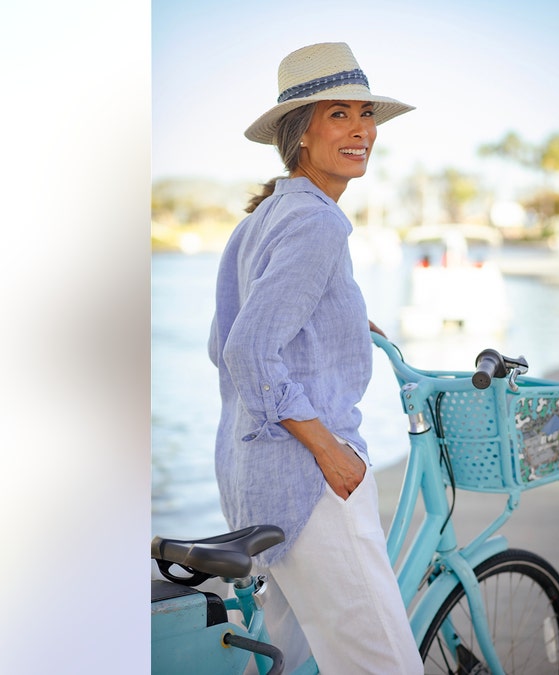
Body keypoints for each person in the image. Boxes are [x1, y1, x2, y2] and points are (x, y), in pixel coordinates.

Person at [207, 43, 423, 674]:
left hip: (252, 480)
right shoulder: (317, 224)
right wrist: (328, 448)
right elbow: (248, 350)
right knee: (385, 665)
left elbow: (224, 342)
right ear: (302, 133)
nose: (361, 129)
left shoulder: (266, 217)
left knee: (284, 665)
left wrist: (345, 316)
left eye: (366, 113)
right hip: (311, 484)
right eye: (339, 114)